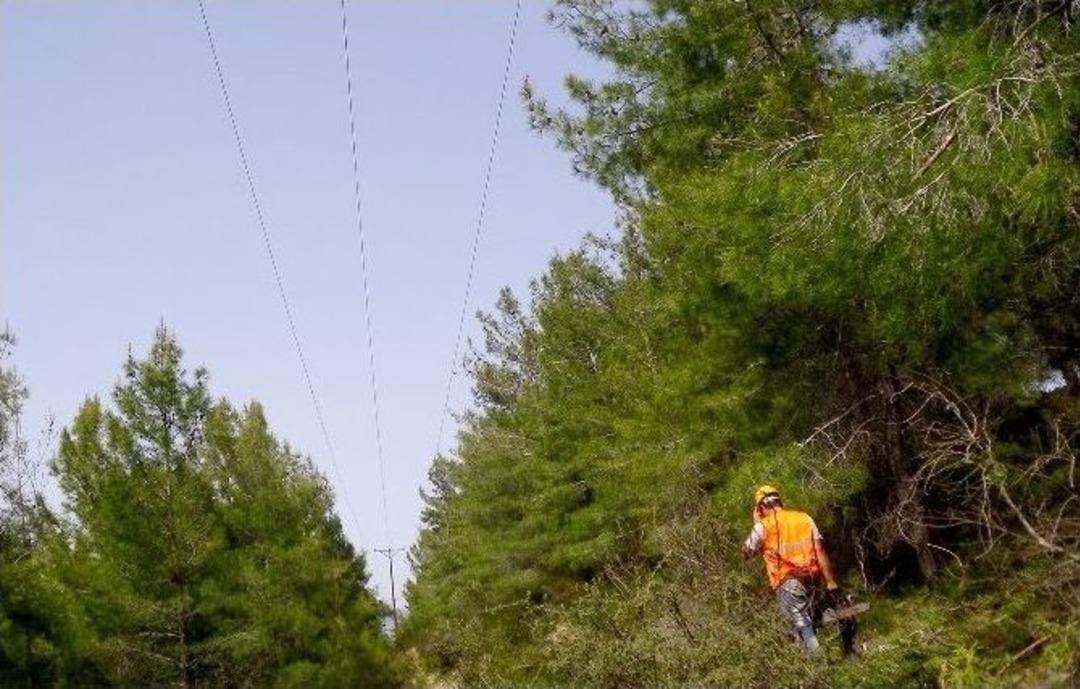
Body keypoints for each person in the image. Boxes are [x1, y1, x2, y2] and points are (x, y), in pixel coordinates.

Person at [741, 485, 851, 654]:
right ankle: (842, 650)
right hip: (813, 579)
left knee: (803, 626)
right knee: (813, 619)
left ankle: (818, 666)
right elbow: (820, 550)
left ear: (760, 507)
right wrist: (830, 581)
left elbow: (746, 553)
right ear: (779, 501)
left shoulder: (763, 526)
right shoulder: (804, 518)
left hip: (788, 583)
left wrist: (756, 523)